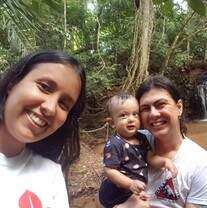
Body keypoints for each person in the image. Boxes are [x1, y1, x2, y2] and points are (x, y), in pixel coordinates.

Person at [0, 50, 86, 207]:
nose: (51, 108)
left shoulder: (50, 174)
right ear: (13, 83)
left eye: (63, 104)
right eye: (44, 87)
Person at [132, 75, 207, 208]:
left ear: (179, 107)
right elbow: (103, 196)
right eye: (145, 109)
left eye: (160, 105)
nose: (153, 114)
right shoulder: (132, 143)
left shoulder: (204, 165)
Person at [99, 93, 177, 208]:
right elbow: (109, 170)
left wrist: (164, 162)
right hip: (115, 192)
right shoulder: (114, 144)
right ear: (112, 123)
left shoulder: (142, 137)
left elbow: (150, 157)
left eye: (135, 114)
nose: (131, 119)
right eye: (123, 115)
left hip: (132, 190)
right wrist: (130, 184)